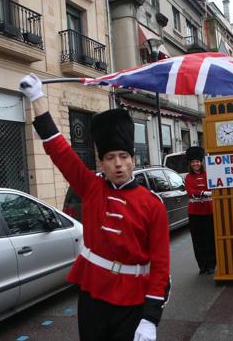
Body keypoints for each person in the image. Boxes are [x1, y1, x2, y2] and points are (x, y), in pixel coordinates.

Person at [19, 74, 170, 341]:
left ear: (133, 160)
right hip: (92, 292)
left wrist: (150, 316)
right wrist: (36, 98)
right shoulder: (90, 186)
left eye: (123, 157)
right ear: (101, 163)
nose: (118, 164)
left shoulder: (152, 204)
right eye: (110, 158)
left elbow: (160, 265)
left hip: (133, 299)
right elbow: (59, 150)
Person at [184, 146, 216, 275]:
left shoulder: (208, 175)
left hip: (208, 211)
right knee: (198, 241)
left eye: (197, 161)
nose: (195, 164)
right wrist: (203, 193)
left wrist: (204, 193)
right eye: (193, 162)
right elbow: (190, 192)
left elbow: (212, 189)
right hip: (195, 213)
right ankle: (202, 265)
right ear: (190, 164)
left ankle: (211, 264)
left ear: (201, 162)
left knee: (210, 239)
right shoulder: (188, 177)